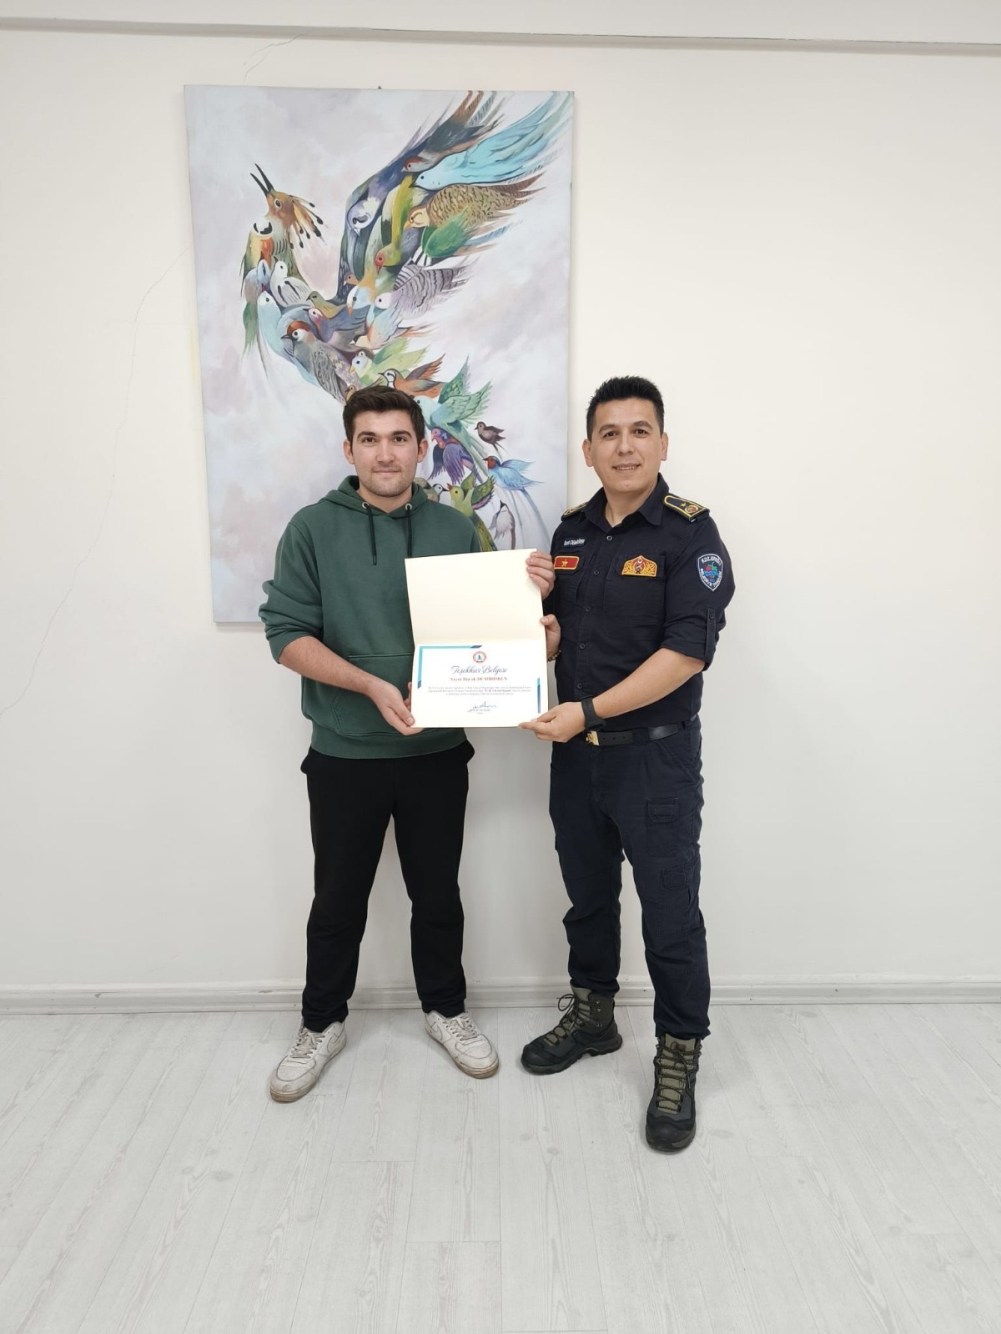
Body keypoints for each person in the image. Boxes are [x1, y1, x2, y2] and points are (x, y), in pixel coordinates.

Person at [260, 385, 553, 1101]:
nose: (385, 453)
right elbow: (286, 636)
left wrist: (537, 625)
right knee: (337, 902)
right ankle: (321, 1023)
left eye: (398, 438)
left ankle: (446, 1011)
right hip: (344, 754)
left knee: (438, 896)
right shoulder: (310, 529)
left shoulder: (457, 529)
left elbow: (497, 638)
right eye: (369, 439)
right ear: (349, 449)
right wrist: (369, 686)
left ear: (422, 448)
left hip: (436, 756)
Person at [519, 375, 734, 1152]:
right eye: (608, 433)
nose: (624, 446)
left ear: (662, 443)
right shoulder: (570, 534)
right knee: (587, 901)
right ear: (588, 450)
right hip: (576, 763)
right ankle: (593, 1015)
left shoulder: (689, 536)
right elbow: (558, 642)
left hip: (654, 762)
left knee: (670, 915)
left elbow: (684, 656)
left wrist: (589, 711)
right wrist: (533, 628)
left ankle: (677, 1051)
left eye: (639, 430)